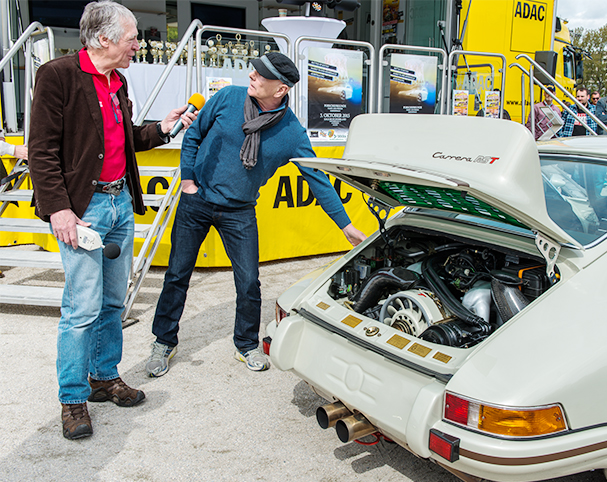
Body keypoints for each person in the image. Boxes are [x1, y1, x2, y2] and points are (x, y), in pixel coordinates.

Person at [27, 1, 195, 440]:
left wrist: (162, 128)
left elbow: (125, 138)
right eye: (132, 36)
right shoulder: (58, 75)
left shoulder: (116, 80)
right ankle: (72, 398)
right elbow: (41, 150)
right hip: (83, 210)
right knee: (81, 307)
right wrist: (59, 209)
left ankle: (104, 376)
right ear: (104, 39)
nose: (138, 43)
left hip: (120, 203)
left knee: (111, 303)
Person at [146, 52, 367, 378]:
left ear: (280, 89)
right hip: (198, 202)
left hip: (239, 212)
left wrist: (346, 226)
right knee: (178, 274)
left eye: (262, 74)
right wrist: (189, 181)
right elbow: (193, 135)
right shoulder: (227, 97)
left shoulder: (292, 133)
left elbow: (318, 180)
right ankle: (164, 341)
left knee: (249, 282)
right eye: (255, 70)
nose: (252, 75)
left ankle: (246, 344)